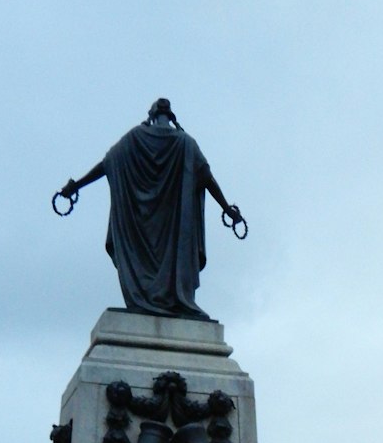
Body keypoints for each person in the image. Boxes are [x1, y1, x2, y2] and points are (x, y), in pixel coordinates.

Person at [57, 98, 244, 320]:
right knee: (174, 259)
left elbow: (106, 165)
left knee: (143, 261)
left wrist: (76, 185)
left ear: (151, 116)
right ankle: (175, 300)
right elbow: (207, 179)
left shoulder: (134, 139)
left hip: (141, 227)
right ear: (172, 117)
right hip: (174, 230)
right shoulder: (186, 143)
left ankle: (149, 300)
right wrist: (227, 208)